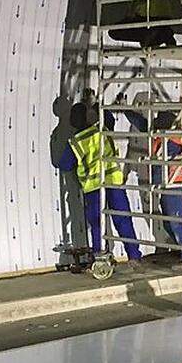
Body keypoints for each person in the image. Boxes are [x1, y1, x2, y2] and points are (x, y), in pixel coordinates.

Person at [119, 108, 182, 266]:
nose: (153, 128)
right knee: (168, 221)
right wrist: (125, 110)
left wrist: (149, 170)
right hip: (165, 185)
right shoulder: (159, 135)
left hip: (173, 184)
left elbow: (161, 163)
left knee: (176, 220)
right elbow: (142, 124)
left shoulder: (171, 141)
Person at [68, 103, 142, 262]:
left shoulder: (75, 142)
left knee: (97, 224)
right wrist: (95, 104)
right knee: (122, 219)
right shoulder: (103, 129)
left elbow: (63, 164)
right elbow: (108, 117)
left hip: (93, 188)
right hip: (113, 182)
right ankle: (134, 256)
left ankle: (99, 258)